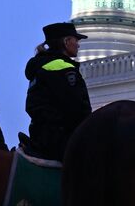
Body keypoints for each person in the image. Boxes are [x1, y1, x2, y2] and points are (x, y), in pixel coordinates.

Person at [23, 23, 92, 161]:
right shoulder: (63, 68)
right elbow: (77, 109)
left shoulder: (40, 67)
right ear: (66, 42)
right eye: (76, 40)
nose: (78, 44)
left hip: (40, 135)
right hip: (62, 139)